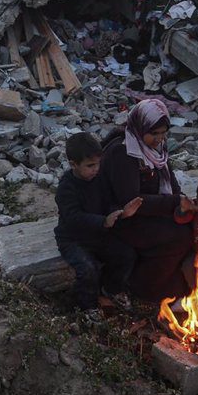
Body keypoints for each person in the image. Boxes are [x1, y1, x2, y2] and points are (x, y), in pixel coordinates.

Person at [98, 98, 193, 300]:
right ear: (140, 128)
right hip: (123, 218)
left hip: (149, 211)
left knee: (191, 227)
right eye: (154, 133)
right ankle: (143, 287)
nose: (159, 138)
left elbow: (170, 179)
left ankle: (167, 283)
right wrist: (174, 202)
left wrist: (181, 202)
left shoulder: (156, 148)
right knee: (178, 237)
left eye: (163, 133)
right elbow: (131, 199)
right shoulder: (123, 152)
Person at [55, 132, 141, 315]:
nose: (95, 169)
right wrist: (103, 221)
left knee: (126, 255)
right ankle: (87, 307)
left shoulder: (99, 179)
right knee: (87, 269)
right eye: (90, 165)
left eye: (98, 164)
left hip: (98, 235)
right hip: (73, 239)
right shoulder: (66, 187)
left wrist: (121, 212)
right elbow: (73, 218)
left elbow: (108, 202)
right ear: (73, 165)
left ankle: (112, 288)